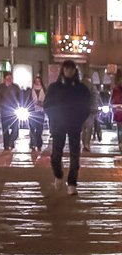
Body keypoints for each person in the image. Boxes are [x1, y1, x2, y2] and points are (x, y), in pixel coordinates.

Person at [44, 60, 94, 193]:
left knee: (74, 154)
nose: (68, 72)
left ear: (75, 71)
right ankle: (58, 175)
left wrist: (80, 120)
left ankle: (72, 183)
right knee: (56, 155)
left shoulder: (81, 88)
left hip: (74, 125)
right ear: (63, 70)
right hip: (58, 125)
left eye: (71, 69)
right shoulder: (55, 87)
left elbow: (86, 106)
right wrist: (54, 118)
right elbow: (48, 105)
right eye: (66, 69)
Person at [0, 71, 23, 150]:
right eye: (8, 78)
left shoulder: (15, 87)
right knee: (5, 129)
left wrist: (21, 105)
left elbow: (20, 97)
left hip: (14, 110)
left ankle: (11, 141)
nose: (9, 80)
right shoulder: (0, 87)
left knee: (15, 129)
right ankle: (6, 145)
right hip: (4, 111)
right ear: (4, 79)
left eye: (10, 78)